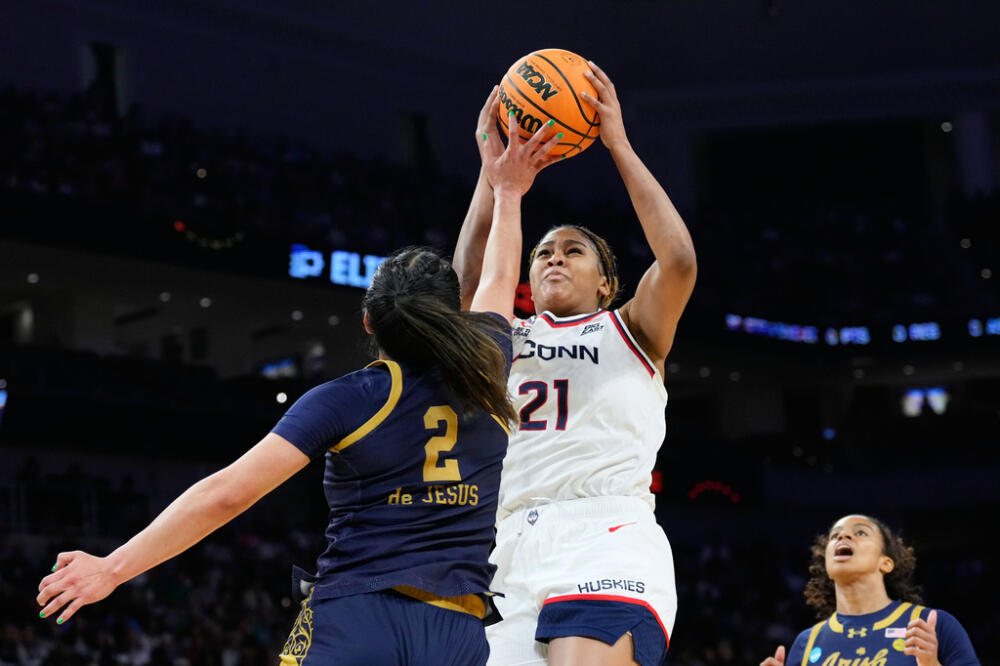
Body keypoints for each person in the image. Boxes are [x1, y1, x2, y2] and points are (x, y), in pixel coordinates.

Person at [34, 103, 564, 665]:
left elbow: (227, 494)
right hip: (455, 632)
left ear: (367, 322)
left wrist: (112, 568)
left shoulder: (349, 399)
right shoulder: (487, 363)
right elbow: (498, 275)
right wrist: (508, 189)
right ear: (450, 316)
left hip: (357, 617)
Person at [454, 62, 697, 666]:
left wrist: (617, 143)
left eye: (573, 250)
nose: (553, 258)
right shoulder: (504, 335)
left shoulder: (633, 328)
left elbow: (680, 262)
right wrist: (494, 177)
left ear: (606, 280)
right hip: (508, 541)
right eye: (541, 252)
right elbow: (462, 286)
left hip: (605, 532)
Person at [760, 514, 980, 666]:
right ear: (827, 565)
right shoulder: (807, 643)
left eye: (861, 533)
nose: (842, 537)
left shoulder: (933, 625)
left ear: (886, 562)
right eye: (835, 535)